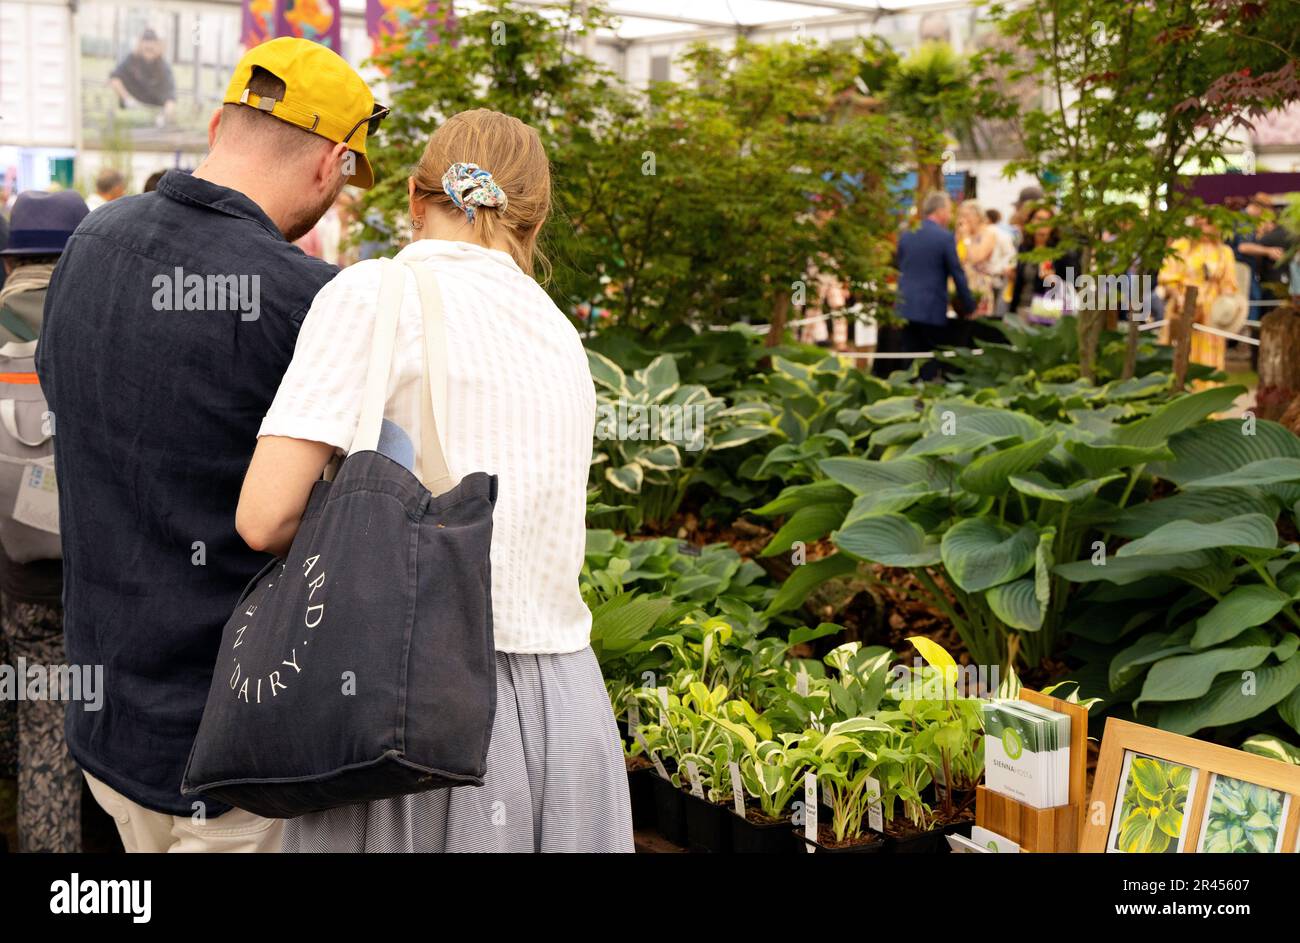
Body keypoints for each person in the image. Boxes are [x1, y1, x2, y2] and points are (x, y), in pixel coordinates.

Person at [237, 108, 634, 853]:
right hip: (568, 709)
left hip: (413, 706)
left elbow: (263, 516)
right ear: (533, 221)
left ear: (416, 201)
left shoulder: (372, 295)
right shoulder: (559, 333)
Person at [36, 37, 380, 853]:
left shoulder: (89, 244)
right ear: (332, 163)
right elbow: (359, 502)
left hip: (109, 729)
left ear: (221, 122)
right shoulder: (312, 303)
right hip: (237, 750)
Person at [0, 190, 89, 852]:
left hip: (12, 570)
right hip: (90, 563)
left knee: (33, 718)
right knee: (69, 719)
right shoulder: (99, 322)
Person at [892, 190, 973, 380]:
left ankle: (907, 396)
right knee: (929, 357)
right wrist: (969, 305)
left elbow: (899, 265)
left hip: (905, 304)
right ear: (941, 210)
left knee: (909, 356)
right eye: (950, 211)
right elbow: (957, 273)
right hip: (931, 307)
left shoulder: (907, 234)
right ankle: (925, 398)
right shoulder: (944, 237)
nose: (950, 216)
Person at [1158, 216, 1239, 371]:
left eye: (1208, 224)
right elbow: (1167, 278)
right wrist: (1179, 298)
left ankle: (1208, 389)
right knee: (1183, 348)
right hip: (1184, 306)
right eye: (1199, 224)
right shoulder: (1181, 246)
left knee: (1210, 354)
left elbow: (1229, 283)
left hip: (1213, 312)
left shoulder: (1224, 251)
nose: (1204, 228)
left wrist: (1227, 306)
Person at [1009, 205, 1080, 325]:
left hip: (1046, 311)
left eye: (1047, 220)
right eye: (1038, 219)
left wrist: (1054, 280)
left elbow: (1074, 281)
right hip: (1023, 307)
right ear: (1030, 221)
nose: (1042, 223)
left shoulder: (1062, 250)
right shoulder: (1025, 247)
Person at [109, 29, 177, 125]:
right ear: (140, 45)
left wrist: (164, 116)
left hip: (154, 114)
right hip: (131, 111)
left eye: (151, 48)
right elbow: (114, 79)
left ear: (158, 46)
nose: (149, 50)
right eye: (146, 47)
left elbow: (170, 99)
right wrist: (128, 100)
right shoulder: (131, 60)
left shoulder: (164, 68)